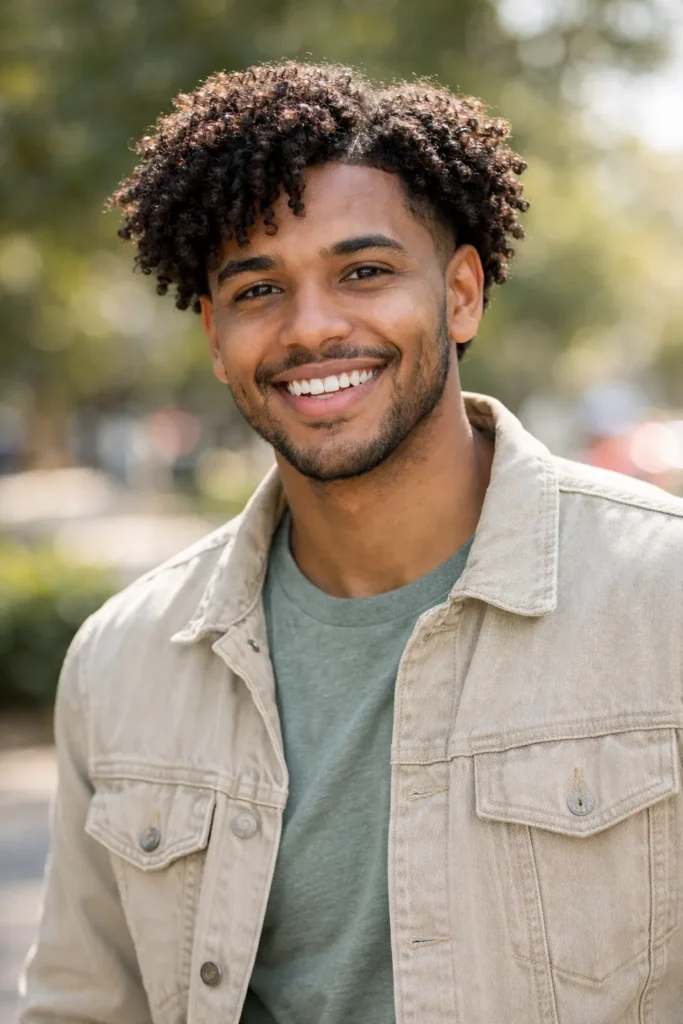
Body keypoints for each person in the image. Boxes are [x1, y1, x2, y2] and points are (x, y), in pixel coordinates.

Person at [19, 62, 683, 1024]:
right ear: (215, 336)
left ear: (461, 294)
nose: (312, 328)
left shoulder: (661, 601)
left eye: (363, 272)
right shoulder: (123, 661)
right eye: (258, 289)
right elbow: (84, 1007)